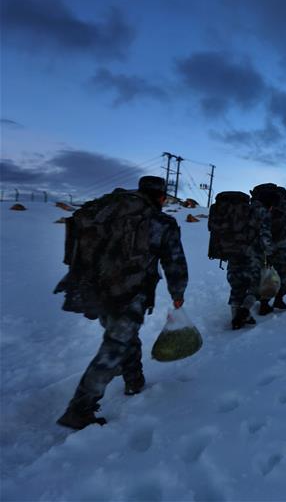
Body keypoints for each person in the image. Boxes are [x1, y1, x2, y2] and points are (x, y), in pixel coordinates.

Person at [54, 176, 188, 430]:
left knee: (124, 335)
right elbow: (175, 262)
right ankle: (79, 408)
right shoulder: (160, 222)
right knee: (115, 346)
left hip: (93, 287)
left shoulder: (107, 211)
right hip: (129, 292)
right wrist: (178, 291)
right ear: (161, 197)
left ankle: (134, 380)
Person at [228, 191, 274, 329]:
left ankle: (235, 317)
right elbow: (265, 236)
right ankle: (244, 312)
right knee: (254, 285)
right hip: (252, 255)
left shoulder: (237, 209)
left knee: (237, 285)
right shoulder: (262, 212)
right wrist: (270, 252)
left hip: (233, 252)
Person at [252, 184, 286, 315]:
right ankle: (279, 299)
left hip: (262, 244)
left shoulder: (258, 205)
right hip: (282, 244)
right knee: (284, 272)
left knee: (265, 273)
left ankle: (264, 303)